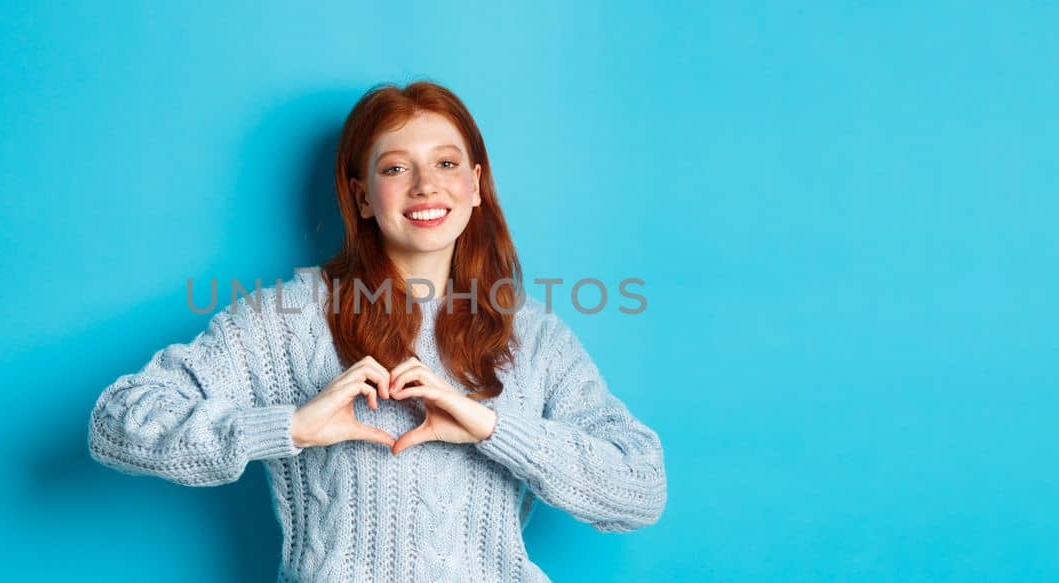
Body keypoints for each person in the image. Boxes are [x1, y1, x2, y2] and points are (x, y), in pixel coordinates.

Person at [88, 80, 666, 582]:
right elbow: (117, 423)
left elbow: (640, 486)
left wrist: (491, 428)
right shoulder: (284, 319)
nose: (425, 186)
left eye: (446, 163)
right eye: (395, 168)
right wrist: (289, 427)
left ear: (475, 184)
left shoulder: (532, 335)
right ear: (362, 195)